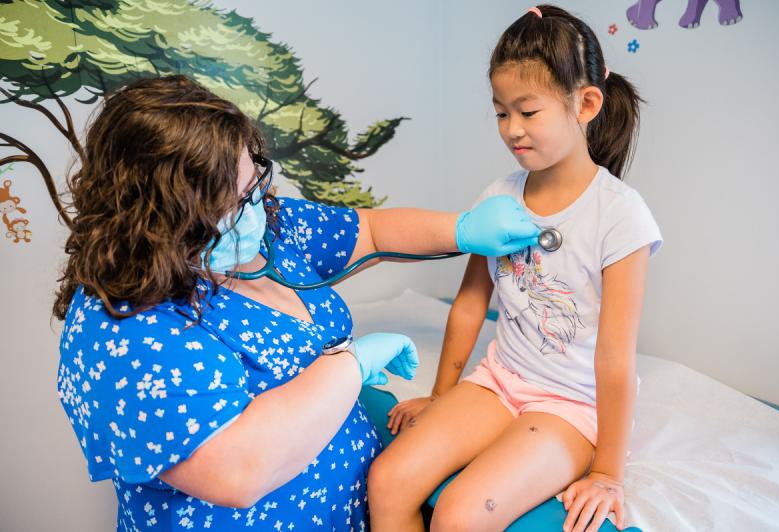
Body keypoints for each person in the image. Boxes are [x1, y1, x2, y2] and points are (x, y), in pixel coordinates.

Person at [53, 75, 544, 531]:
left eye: (254, 186)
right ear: (160, 221)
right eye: (230, 204)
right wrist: (349, 365)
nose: (256, 210)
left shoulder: (266, 225)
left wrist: (463, 229)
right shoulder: (119, 329)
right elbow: (236, 469)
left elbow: (371, 232)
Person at [369, 5, 663, 532]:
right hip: (500, 381)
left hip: (571, 406)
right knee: (388, 478)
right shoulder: (499, 195)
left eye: (528, 112)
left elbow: (616, 356)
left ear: (586, 104)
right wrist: (439, 399)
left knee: (459, 513)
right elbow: (469, 305)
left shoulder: (620, 215)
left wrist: (608, 473)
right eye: (502, 112)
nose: (511, 129)